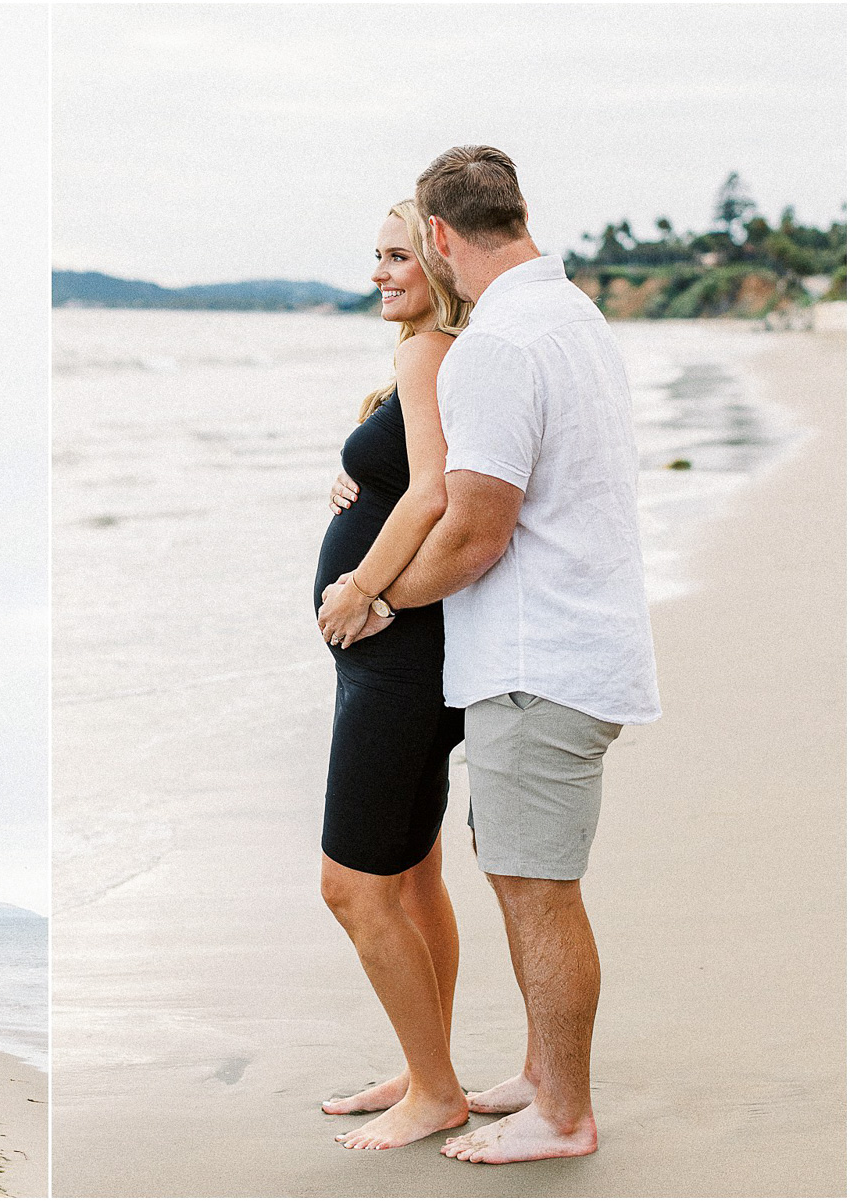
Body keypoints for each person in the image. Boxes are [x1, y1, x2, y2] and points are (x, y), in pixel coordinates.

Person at [341, 145, 661, 1164]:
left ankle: (561, 1112)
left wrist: (376, 596)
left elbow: (474, 530)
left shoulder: (499, 346)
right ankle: (537, 1075)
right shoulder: (567, 316)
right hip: (567, 644)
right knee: (523, 874)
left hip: (540, 658)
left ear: (438, 236)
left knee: (534, 886)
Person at [311, 198, 472, 1151]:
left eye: (398, 255)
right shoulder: (428, 355)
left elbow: (433, 491)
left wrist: (362, 585)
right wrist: (351, 480)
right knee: (412, 874)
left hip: (400, 658)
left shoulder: (428, 351)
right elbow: (407, 477)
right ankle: (428, 1070)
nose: (380, 271)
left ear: (439, 262)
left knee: (352, 885)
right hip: (408, 656)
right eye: (373, 255)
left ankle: (436, 1091)